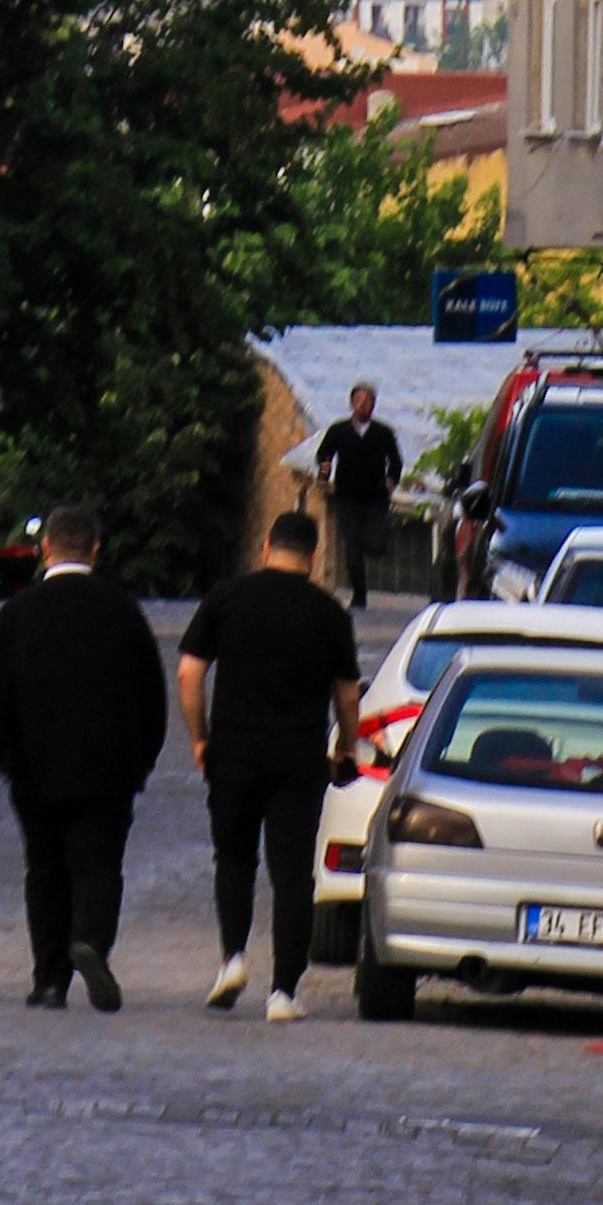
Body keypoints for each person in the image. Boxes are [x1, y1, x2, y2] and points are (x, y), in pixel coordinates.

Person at [0, 503, 170, 1008]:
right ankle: (90, 939)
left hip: (34, 767)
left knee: (45, 869)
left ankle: (50, 980)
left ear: (45, 549)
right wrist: (144, 757)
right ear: (94, 550)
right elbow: (150, 693)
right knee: (98, 866)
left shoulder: (19, 614)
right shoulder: (123, 612)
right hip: (107, 769)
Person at [178, 506, 362, 1023]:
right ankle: (283, 992)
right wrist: (346, 748)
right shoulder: (329, 613)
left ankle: (232, 959)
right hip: (298, 760)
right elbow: (347, 698)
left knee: (233, 859)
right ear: (313, 556)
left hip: (233, 753)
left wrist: (200, 736)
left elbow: (190, 672)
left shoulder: (227, 598)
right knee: (292, 876)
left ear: (266, 548)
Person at [313, 383, 405, 609]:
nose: (364, 406)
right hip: (347, 498)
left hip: (375, 498)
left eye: (369, 401)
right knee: (352, 549)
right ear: (352, 403)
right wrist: (324, 469)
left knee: (374, 545)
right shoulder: (339, 430)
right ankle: (359, 594)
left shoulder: (383, 433)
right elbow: (324, 453)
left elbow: (395, 460)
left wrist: (392, 480)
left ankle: (371, 541)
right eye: (360, 401)